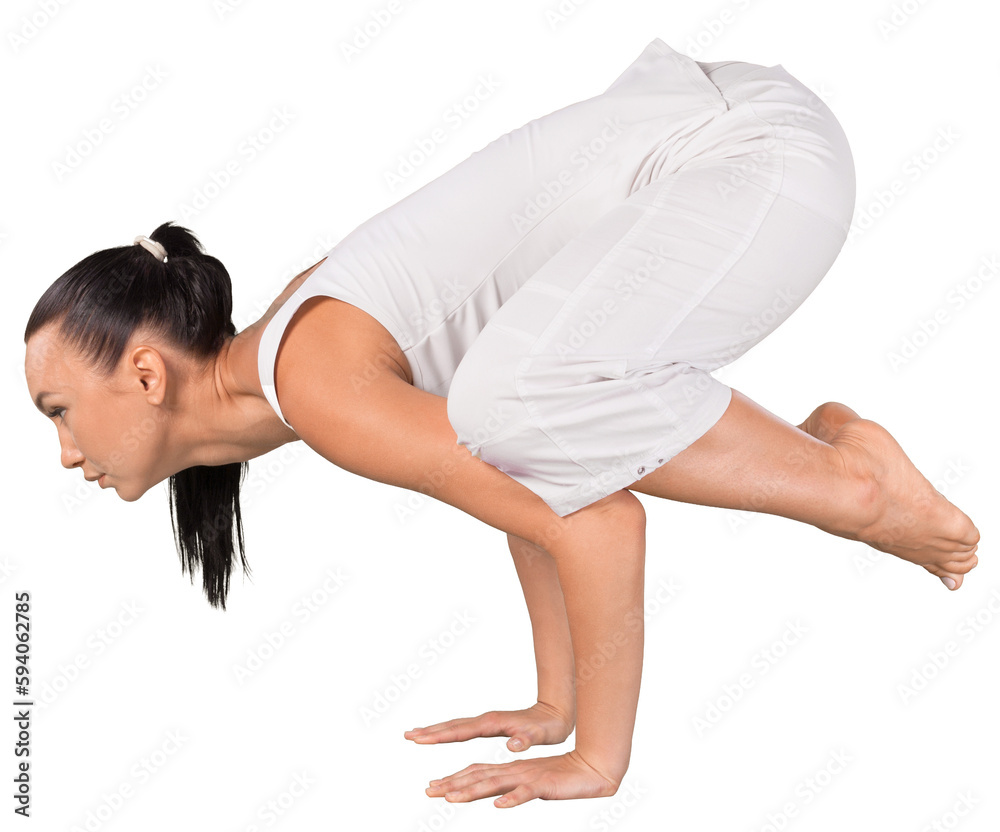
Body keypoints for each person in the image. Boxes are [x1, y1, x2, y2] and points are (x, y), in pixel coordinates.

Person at [23, 38, 979, 808]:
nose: (65, 451)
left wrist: (598, 759)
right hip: (740, 150)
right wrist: (557, 703)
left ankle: (853, 487)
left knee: (516, 405)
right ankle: (839, 461)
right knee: (514, 411)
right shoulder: (300, 361)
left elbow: (598, 521)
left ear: (145, 373)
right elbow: (529, 487)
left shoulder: (313, 383)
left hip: (751, 160)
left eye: (58, 410)